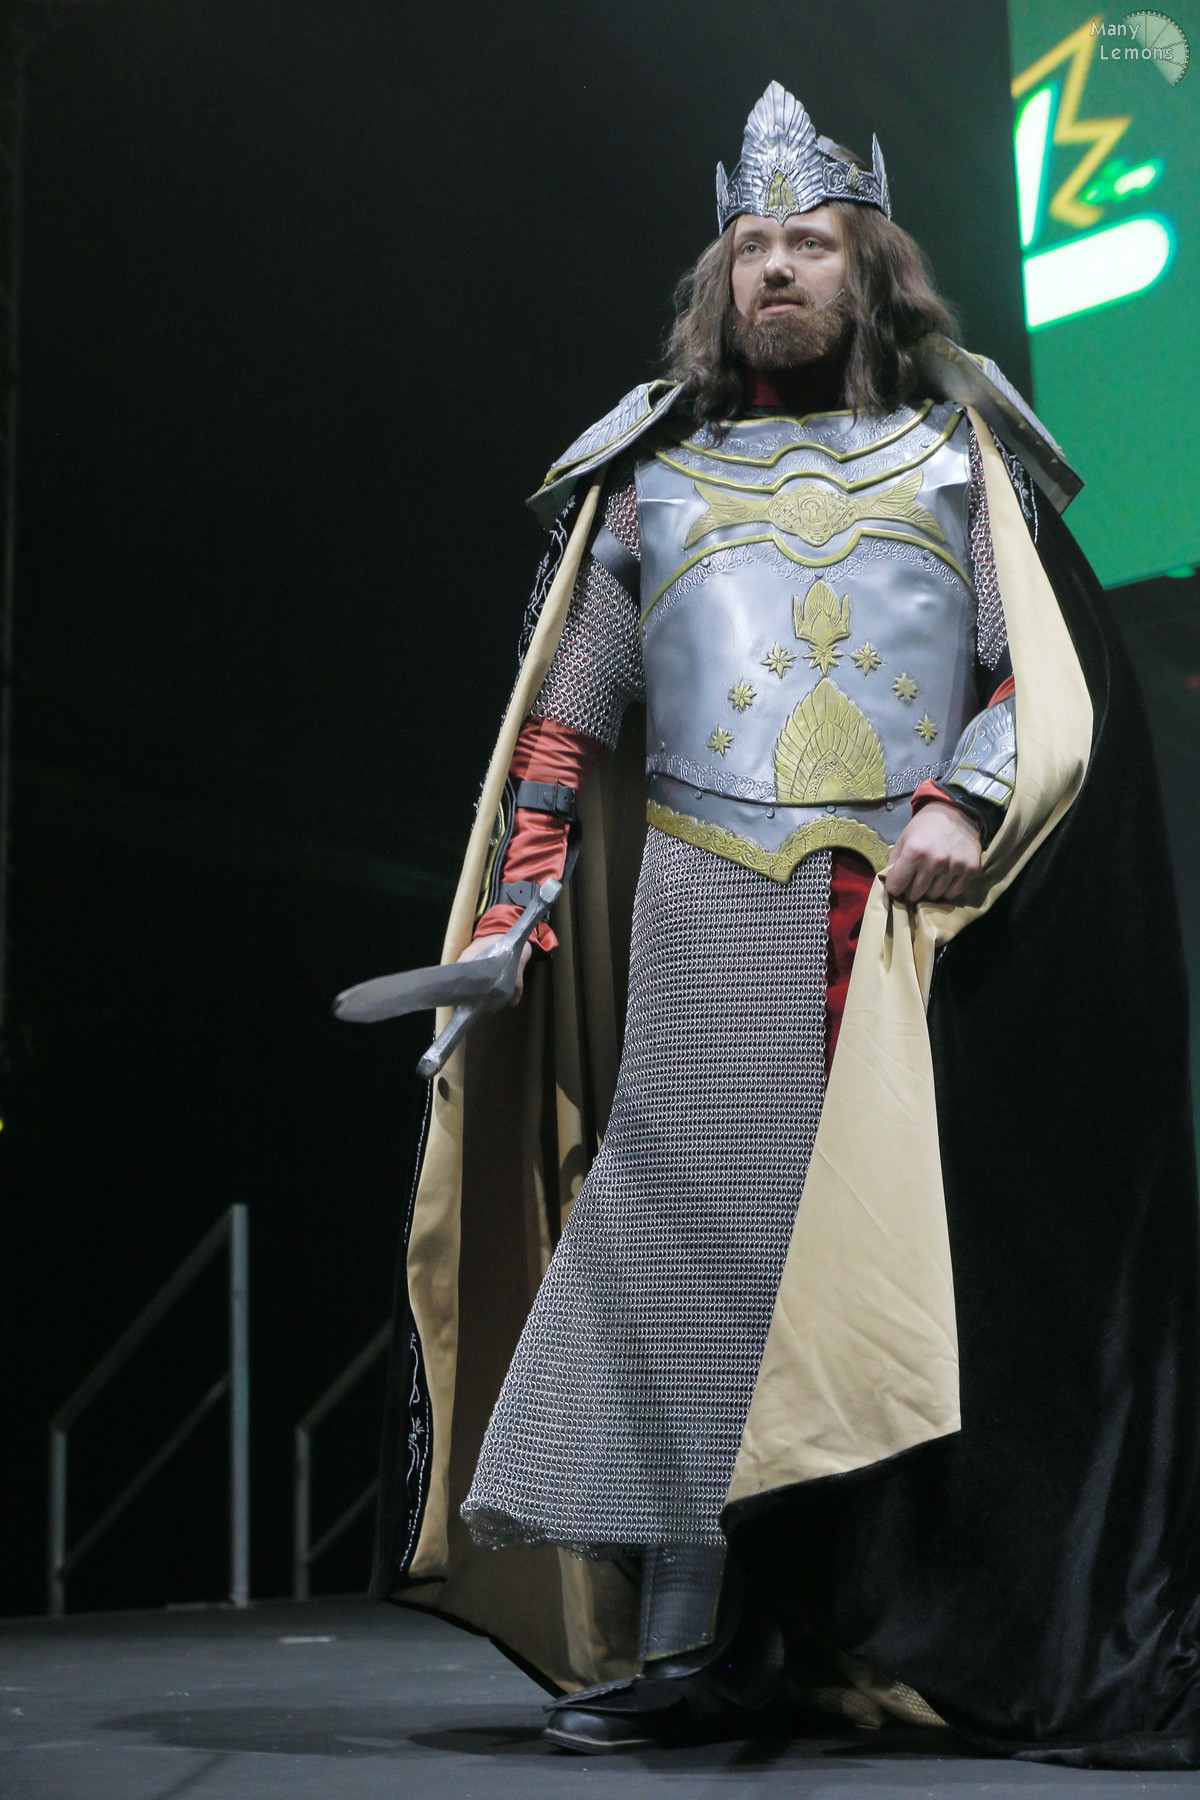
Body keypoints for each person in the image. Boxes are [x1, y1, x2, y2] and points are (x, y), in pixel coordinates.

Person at [371, 84, 1200, 1769]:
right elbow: (569, 723)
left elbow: (1039, 673)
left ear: (867, 267)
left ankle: (906, 1631)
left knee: (890, 1293)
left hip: (903, 939)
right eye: (751, 243)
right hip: (709, 914)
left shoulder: (960, 455)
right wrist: (523, 896)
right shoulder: (649, 475)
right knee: (700, 1283)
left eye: (808, 242)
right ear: (720, 273)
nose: (775, 268)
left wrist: (970, 793)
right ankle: (718, 1648)